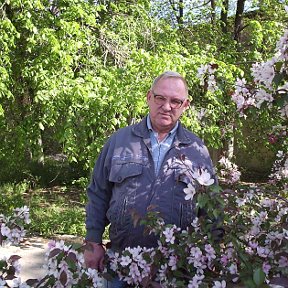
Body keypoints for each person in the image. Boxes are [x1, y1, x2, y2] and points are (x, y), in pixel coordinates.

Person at [84, 71, 216, 287]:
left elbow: (210, 206)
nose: (167, 106)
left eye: (175, 101)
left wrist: (214, 249)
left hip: (176, 268)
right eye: (160, 98)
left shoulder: (196, 149)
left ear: (186, 105)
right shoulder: (119, 141)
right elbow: (98, 194)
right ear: (148, 97)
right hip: (121, 264)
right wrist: (92, 241)